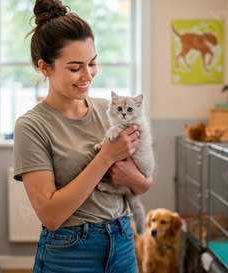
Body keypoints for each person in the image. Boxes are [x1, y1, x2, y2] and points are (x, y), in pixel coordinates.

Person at [13, 0, 152, 272]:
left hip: (123, 241)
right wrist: (105, 158)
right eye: (75, 67)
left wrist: (133, 177)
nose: (87, 75)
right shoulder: (32, 126)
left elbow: (143, 185)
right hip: (70, 252)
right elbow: (51, 215)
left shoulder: (110, 111)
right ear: (45, 68)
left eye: (92, 63)